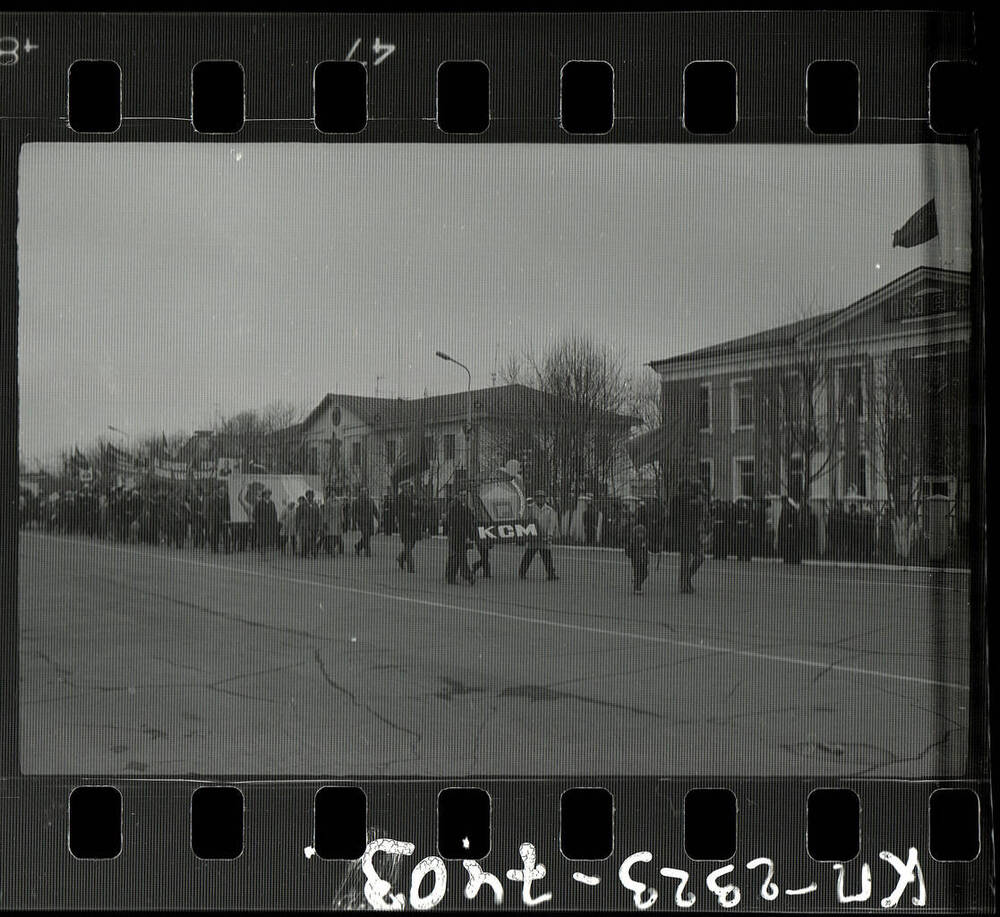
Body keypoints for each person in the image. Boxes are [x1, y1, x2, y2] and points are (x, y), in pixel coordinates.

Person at [518, 489, 560, 581]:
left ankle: (551, 574)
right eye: (538, 497)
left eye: (542, 497)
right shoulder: (530, 508)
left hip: (544, 537)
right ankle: (522, 572)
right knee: (528, 555)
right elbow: (526, 521)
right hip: (533, 537)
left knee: (547, 556)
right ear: (535, 499)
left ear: (545, 499)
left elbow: (552, 524)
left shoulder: (549, 510)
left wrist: (549, 535)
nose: (540, 499)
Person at [674, 479, 707, 593]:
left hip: (693, 532)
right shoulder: (681, 500)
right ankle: (684, 583)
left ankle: (686, 579)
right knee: (686, 559)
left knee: (699, 557)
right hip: (684, 533)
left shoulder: (696, 500)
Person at [444, 491, 476, 586]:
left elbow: (469, 522)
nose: (463, 497)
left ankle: (451, 576)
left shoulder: (465, 507)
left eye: (465, 495)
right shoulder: (455, 508)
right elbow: (456, 523)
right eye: (461, 495)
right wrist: (467, 536)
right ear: (457, 496)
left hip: (461, 536)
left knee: (456, 557)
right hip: (456, 536)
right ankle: (467, 575)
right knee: (460, 557)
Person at [395, 480, 420, 573]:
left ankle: (400, 557)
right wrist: (409, 515)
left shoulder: (412, 496)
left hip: (413, 525)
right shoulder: (399, 498)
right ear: (402, 487)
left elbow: (418, 508)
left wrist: (418, 505)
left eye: (408, 486)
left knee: (412, 544)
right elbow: (398, 512)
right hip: (404, 524)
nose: (408, 487)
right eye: (406, 486)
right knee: (408, 544)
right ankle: (411, 567)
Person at [352, 485, 379, 557]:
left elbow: (375, 510)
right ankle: (368, 551)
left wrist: (379, 518)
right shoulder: (356, 501)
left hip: (370, 521)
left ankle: (358, 546)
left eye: (365, 492)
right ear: (360, 493)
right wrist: (354, 523)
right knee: (366, 535)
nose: (364, 493)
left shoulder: (371, 501)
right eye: (362, 492)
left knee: (368, 536)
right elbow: (353, 512)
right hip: (361, 521)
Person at [206, 483, 231, 554]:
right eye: (221, 489)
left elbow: (228, 509)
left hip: (224, 520)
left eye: (224, 489)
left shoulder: (227, 498)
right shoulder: (212, 499)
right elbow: (208, 509)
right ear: (218, 490)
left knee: (226, 535)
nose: (223, 491)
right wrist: (210, 519)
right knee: (215, 534)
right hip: (215, 519)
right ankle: (214, 549)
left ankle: (227, 549)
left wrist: (228, 519)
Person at [296, 489, 322, 558]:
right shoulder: (303, 505)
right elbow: (298, 517)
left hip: (314, 525)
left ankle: (312, 552)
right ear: (306, 496)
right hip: (305, 525)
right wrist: (298, 527)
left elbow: (319, 515)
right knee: (306, 539)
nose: (311, 497)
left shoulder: (315, 505)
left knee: (313, 539)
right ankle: (305, 553)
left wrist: (319, 525)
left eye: (312, 495)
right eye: (309, 495)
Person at [625, 522, 649, 595]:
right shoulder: (633, 543)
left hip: (643, 560)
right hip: (636, 560)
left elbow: (648, 550)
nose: (640, 535)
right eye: (639, 533)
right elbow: (628, 551)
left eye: (642, 533)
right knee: (638, 573)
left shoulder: (645, 542)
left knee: (645, 573)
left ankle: (637, 582)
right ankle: (637, 588)